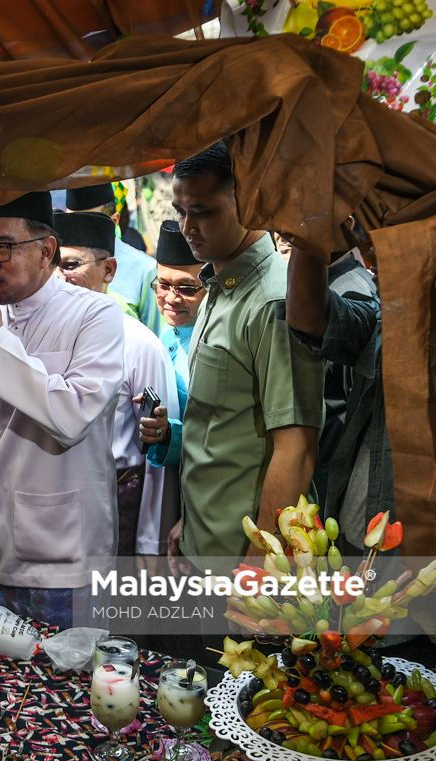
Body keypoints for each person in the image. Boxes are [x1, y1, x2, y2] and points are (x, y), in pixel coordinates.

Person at [0, 192, 125, 628]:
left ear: (46, 250)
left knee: (63, 681)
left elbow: (70, 417)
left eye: (2, 249)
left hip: (60, 548)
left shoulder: (95, 314)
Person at [147, 142, 324, 573]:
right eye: (180, 211)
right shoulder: (218, 284)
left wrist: (258, 568)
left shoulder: (272, 301)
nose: (187, 227)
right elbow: (219, 431)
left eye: (203, 212)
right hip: (205, 543)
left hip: (244, 563)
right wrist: (190, 523)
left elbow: (296, 448)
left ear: (251, 202)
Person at [52, 210, 178, 569]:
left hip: (115, 502)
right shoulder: (33, 338)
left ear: (108, 271)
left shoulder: (140, 344)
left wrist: (150, 541)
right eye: (53, 265)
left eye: (71, 264)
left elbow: (154, 455)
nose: (60, 277)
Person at [284, 235, 390, 550]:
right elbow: (308, 318)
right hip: (359, 539)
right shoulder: (381, 322)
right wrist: (316, 230)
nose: (371, 254)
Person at [142, 220, 206, 470]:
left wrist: (169, 434)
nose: (170, 297)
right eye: (163, 285)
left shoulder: (218, 342)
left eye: (186, 288)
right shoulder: (167, 331)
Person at [67, 184, 162, 335]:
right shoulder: (56, 268)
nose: (80, 231)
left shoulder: (144, 269)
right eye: (73, 221)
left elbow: (155, 335)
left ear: (114, 221)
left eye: (89, 223)